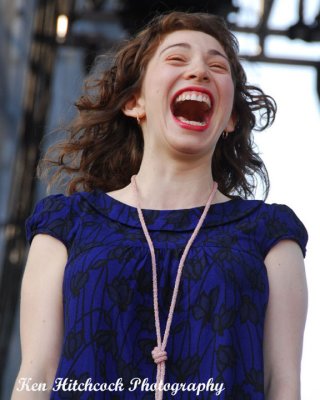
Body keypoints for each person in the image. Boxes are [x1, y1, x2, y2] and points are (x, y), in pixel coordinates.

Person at [12, 11, 308, 400]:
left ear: (231, 118)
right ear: (134, 101)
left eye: (216, 65)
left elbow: (283, 386)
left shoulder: (269, 235)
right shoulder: (66, 225)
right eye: (177, 59)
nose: (200, 71)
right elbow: (36, 375)